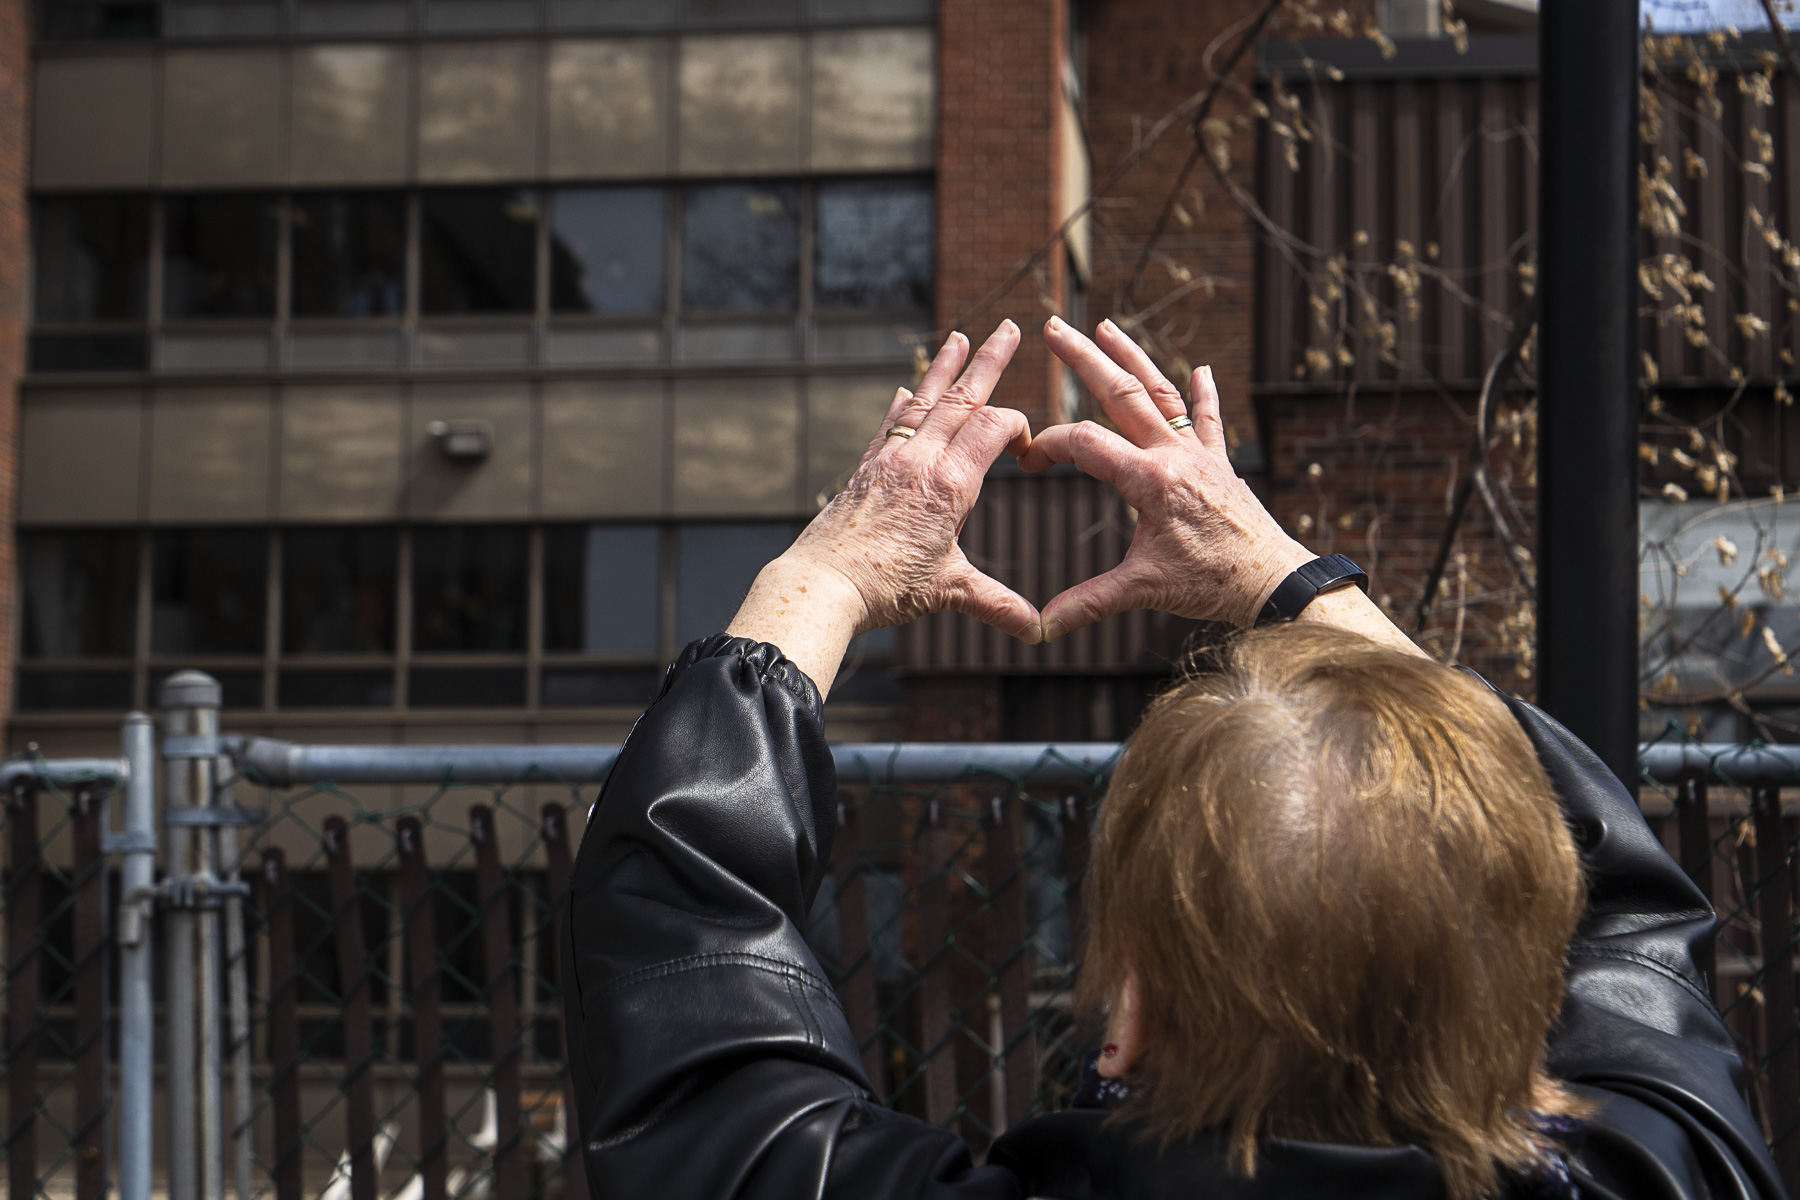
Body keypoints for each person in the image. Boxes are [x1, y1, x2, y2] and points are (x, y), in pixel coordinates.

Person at [561, 318, 1782, 1200]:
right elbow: (1599, 899)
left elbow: (687, 972)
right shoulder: (1672, 1166)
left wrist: (822, 577)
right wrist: (1288, 576)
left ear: (1129, 1019)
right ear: (1521, 999)